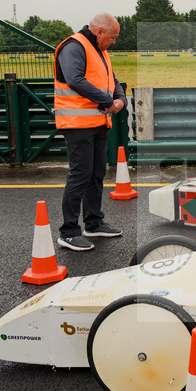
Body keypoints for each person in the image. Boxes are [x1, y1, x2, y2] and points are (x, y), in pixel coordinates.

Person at [54, 13, 127, 251]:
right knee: (80, 176)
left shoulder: (100, 50)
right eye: (113, 37)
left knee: (96, 174)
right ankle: (69, 232)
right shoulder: (73, 47)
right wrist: (107, 100)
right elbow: (75, 79)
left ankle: (93, 223)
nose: (114, 42)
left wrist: (120, 99)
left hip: (98, 122)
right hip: (77, 125)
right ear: (100, 33)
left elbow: (112, 80)